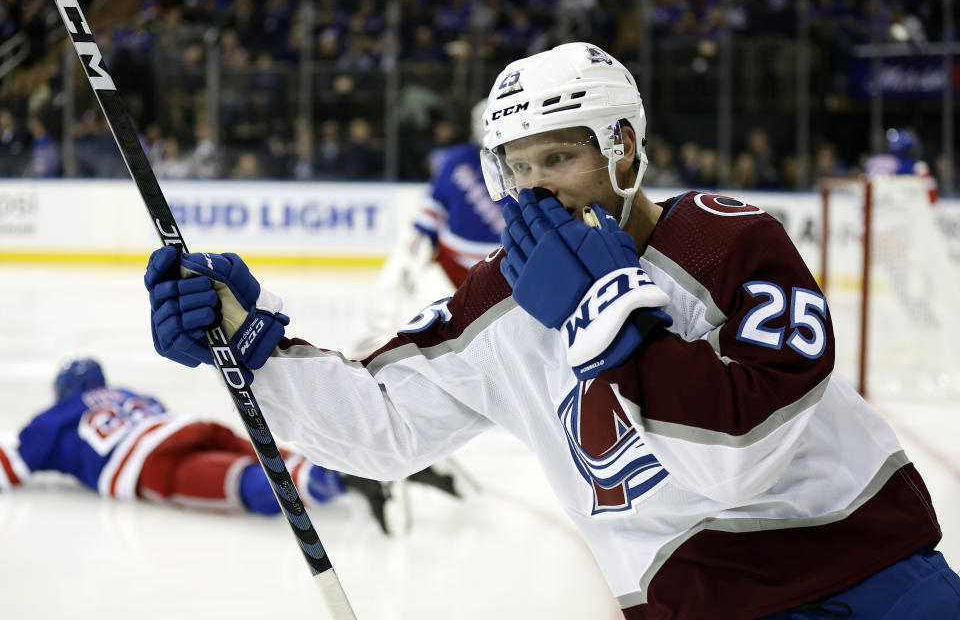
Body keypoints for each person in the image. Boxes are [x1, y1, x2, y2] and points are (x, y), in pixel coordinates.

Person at [143, 43, 960, 618]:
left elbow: (736, 463)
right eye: (517, 168)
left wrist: (605, 305)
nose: (536, 193)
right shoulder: (501, 293)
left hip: (878, 581)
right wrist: (248, 342)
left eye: (559, 161)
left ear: (624, 147)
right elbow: (383, 427)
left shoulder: (729, 241)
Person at [0, 359, 463, 535]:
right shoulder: (130, 394)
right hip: (186, 426)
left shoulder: (51, 418)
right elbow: (157, 410)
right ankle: (378, 462)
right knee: (276, 457)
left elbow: (12, 469)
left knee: (259, 487)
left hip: (146, 464)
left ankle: (346, 477)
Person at [351, 99, 507, 355]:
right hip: (501, 269)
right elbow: (428, 221)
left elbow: (426, 224)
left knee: (408, 246)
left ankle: (380, 330)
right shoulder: (468, 161)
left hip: (465, 268)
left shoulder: (457, 159)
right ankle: (381, 328)